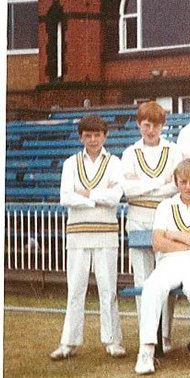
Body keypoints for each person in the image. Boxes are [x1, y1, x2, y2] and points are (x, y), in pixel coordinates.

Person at [50, 115, 126, 360]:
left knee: (108, 288)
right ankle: (68, 342)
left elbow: (115, 197)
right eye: (88, 135)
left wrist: (86, 193)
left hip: (106, 233)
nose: (93, 140)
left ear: (105, 136)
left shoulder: (114, 162)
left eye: (97, 135)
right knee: (75, 289)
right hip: (78, 233)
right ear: (81, 137)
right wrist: (98, 196)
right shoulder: (70, 163)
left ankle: (112, 341)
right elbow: (66, 197)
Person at [134, 159, 190, 375]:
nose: (188, 186)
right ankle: (146, 351)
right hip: (169, 261)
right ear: (176, 183)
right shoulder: (165, 206)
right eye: (183, 182)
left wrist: (174, 235)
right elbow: (158, 243)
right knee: (152, 287)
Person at [121, 101, 183, 354]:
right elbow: (128, 190)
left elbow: (176, 186)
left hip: (166, 219)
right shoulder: (130, 153)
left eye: (156, 125)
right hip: (138, 219)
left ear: (163, 126)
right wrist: (159, 182)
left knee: (166, 281)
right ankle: (146, 337)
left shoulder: (174, 150)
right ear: (139, 125)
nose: (150, 130)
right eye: (146, 125)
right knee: (143, 281)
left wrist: (143, 184)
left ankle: (165, 336)